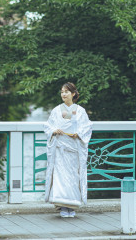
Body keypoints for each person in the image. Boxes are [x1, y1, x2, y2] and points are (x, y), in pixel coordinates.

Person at [44, 82, 92, 218]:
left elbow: (87, 127)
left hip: (74, 148)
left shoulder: (80, 111)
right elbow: (48, 126)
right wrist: (54, 130)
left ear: (73, 94)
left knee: (73, 177)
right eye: (62, 92)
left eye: (66, 92)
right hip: (60, 149)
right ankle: (63, 206)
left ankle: (73, 206)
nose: (63, 94)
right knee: (61, 177)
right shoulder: (56, 110)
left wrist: (79, 133)